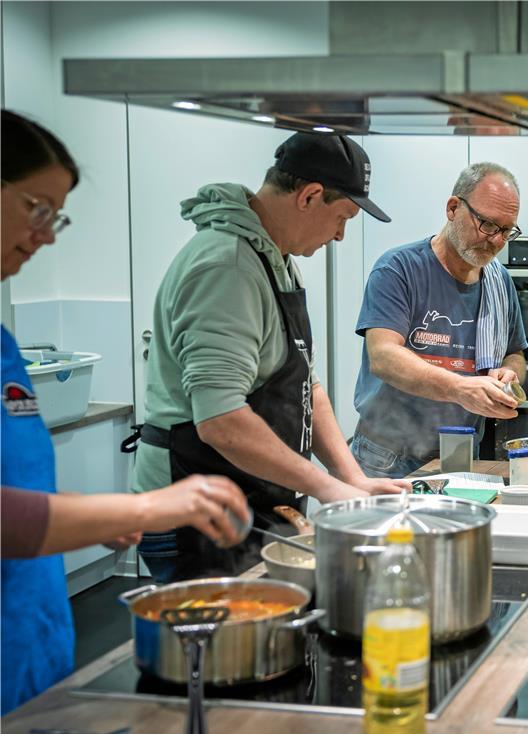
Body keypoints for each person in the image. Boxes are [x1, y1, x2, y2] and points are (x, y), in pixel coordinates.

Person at [0, 110, 250, 715]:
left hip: (27, 653)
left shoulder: (4, 347)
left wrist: (92, 518)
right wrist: (143, 505)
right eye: (37, 208)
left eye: (55, 216)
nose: (48, 234)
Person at [131, 132, 407, 583]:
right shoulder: (226, 268)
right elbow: (221, 420)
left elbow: (304, 384)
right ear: (310, 196)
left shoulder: (273, 257)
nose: (339, 235)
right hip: (197, 515)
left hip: (248, 498)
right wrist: (325, 487)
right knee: (223, 650)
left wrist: (350, 477)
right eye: (342, 218)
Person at [351, 162, 527, 478]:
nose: (496, 241)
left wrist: (509, 374)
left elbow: (515, 352)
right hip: (385, 457)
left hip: (459, 455)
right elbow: (384, 357)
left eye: (506, 230)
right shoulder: (399, 269)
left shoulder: (499, 282)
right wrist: (460, 387)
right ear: (452, 208)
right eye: (487, 224)